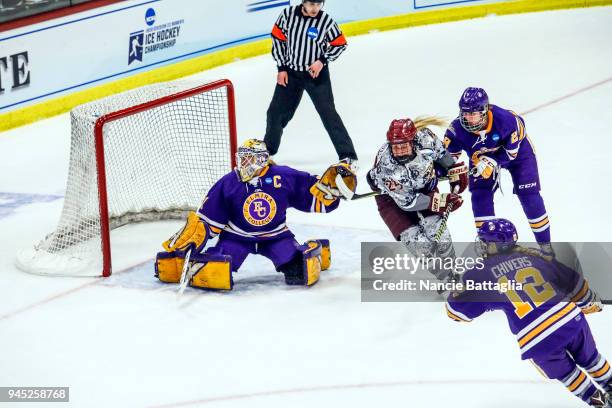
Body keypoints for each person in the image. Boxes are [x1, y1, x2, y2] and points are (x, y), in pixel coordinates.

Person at [446, 219, 609, 407]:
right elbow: (574, 282)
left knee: (569, 375)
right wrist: (590, 302)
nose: (482, 246)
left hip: (537, 339)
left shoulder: (479, 274)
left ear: (497, 245)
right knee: (592, 360)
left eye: (485, 242)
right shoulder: (536, 257)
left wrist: (456, 292)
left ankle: (601, 404)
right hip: (570, 319)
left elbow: (458, 313)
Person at [154, 139, 356, 290]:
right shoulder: (229, 182)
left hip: (276, 237)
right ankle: (182, 265)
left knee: (301, 270)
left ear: (260, 159)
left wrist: (331, 191)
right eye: (241, 158)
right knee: (216, 272)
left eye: (248, 158)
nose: (243, 162)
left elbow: (314, 194)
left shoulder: (282, 176)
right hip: (237, 238)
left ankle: (316, 250)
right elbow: (209, 219)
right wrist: (197, 234)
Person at [444, 87, 552, 252]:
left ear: (485, 111)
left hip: (519, 155)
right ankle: (490, 249)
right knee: (480, 194)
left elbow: (511, 154)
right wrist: (443, 173)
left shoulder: (507, 121)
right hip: (481, 159)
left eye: (473, 113)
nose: (468, 118)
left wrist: (492, 161)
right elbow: (445, 161)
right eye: (465, 113)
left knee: (529, 194)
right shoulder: (456, 130)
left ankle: (546, 248)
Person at [366, 117, 468, 282]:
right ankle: (444, 277)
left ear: (413, 141)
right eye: (395, 146)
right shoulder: (387, 168)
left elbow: (441, 153)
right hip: (392, 199)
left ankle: (452, 269)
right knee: (416, 240)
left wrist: (453, 169)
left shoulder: (425, 138)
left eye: (403, 145)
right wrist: (440, 202)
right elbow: (408, 203)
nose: (398, 151)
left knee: (438, 232)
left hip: (423, 186)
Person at [265, 0, 358, 165]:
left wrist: (322, 60)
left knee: (328, 114)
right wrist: (281, 68)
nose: (315, 8)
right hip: (290, 74)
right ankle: (268, 152)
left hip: (316, 75)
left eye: (318, 4)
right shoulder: (288, 15)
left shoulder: (326, 21)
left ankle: (348, 155)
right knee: (275, 113)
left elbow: (340, 43)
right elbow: (278, 39)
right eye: (311, 4)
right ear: (303, 3)